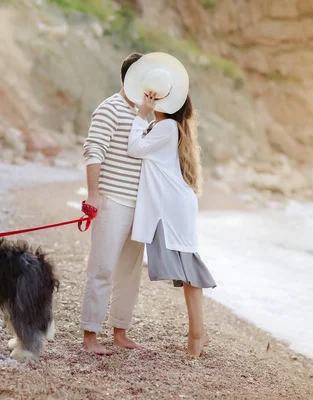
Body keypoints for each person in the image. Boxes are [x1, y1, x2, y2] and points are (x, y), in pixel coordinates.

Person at [124, 52, 216, 358]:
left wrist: (140, 114)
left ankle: (197, 337)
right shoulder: (169, 127)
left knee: (189, 272)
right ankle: (197, 335)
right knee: (188, 272)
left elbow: (135, 149)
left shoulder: (164, 128)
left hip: (172, 208)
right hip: (175, 204)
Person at [80, 52, 146, 356]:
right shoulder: (110, 108)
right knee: (102, 268)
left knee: (130, 271)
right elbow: (94, 151)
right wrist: (93, 195)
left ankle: (120, 331)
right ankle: (90, 335)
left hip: (139, 205)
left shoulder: (147, 116)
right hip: (112, 200)